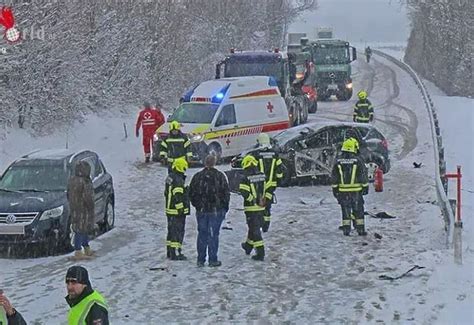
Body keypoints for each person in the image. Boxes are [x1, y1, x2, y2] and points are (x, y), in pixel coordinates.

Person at [189, 155, 230, 267]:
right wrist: (224, 207)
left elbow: (191, 193)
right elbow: (226, 194)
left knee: (202, 234)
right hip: (215, 211)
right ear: (214, 163)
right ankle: (212, 259)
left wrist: (198, 205)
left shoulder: (197, 177)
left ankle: (200, 259)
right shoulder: (219, 176)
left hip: (202, 211)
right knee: (213, 235)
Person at [331, 138, 369, 236]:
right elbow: (363, 175)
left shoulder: (338, 161)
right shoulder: (358, 160)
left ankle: (346, 229)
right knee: (358, 210)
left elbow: (334, 176)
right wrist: (365, 187)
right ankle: (360, 229)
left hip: (343, 191)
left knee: (345, 210)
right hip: (356, 191)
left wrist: (335, 189)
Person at [253, 133, 285, 233]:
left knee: (258, 205)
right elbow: (279, 171)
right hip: (271, 185)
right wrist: (277, 181)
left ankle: (258, 224)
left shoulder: (257, 155)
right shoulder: (275, 155)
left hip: (259, 185)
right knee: (268, 206)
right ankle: (266, 226)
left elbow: (253, 170)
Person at [239, 155, 267, 261]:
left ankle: (260, 252)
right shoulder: (262, 175)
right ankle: (248, 246)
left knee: (255, 230)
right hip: (261, 207)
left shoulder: (245, 176)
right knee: (253, 228)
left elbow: (244, 192)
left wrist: (252, 200)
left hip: (251, 208)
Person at [67, 161, 95, 260]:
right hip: (84, 209)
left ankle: (86, 247)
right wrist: (91, 206)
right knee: (82, 228)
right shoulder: (85, 181)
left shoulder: (72, 180)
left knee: (78, 227)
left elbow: (68, 194)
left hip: (74, 207)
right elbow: (88, 197)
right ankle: (79, 250)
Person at [164, 157, 190, 260]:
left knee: (171, 231)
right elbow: (178, 195)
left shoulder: (170, 177)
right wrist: (181, 208)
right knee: (177, 231)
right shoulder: (178, 180)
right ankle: (176, 253)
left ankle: (169, 251)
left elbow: (168, 192)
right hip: (176, 211)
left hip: (169, 209)